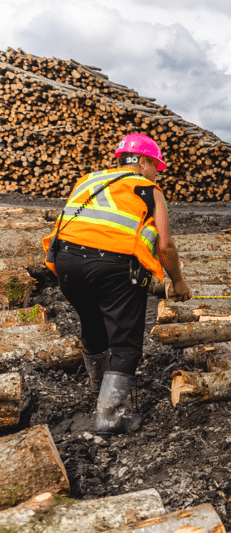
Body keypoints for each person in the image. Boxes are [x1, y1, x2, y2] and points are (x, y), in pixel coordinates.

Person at [42, 133, 191, 437]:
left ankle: (98, 394)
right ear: (145, 162)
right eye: (155, 166)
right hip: (113, 269)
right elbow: (166, 248)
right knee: (125, 343)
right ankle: (109, 418)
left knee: (93, 326)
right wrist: (178, 282)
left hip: (66, 263)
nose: (155, 172)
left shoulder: (89, 180)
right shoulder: (149, 189)